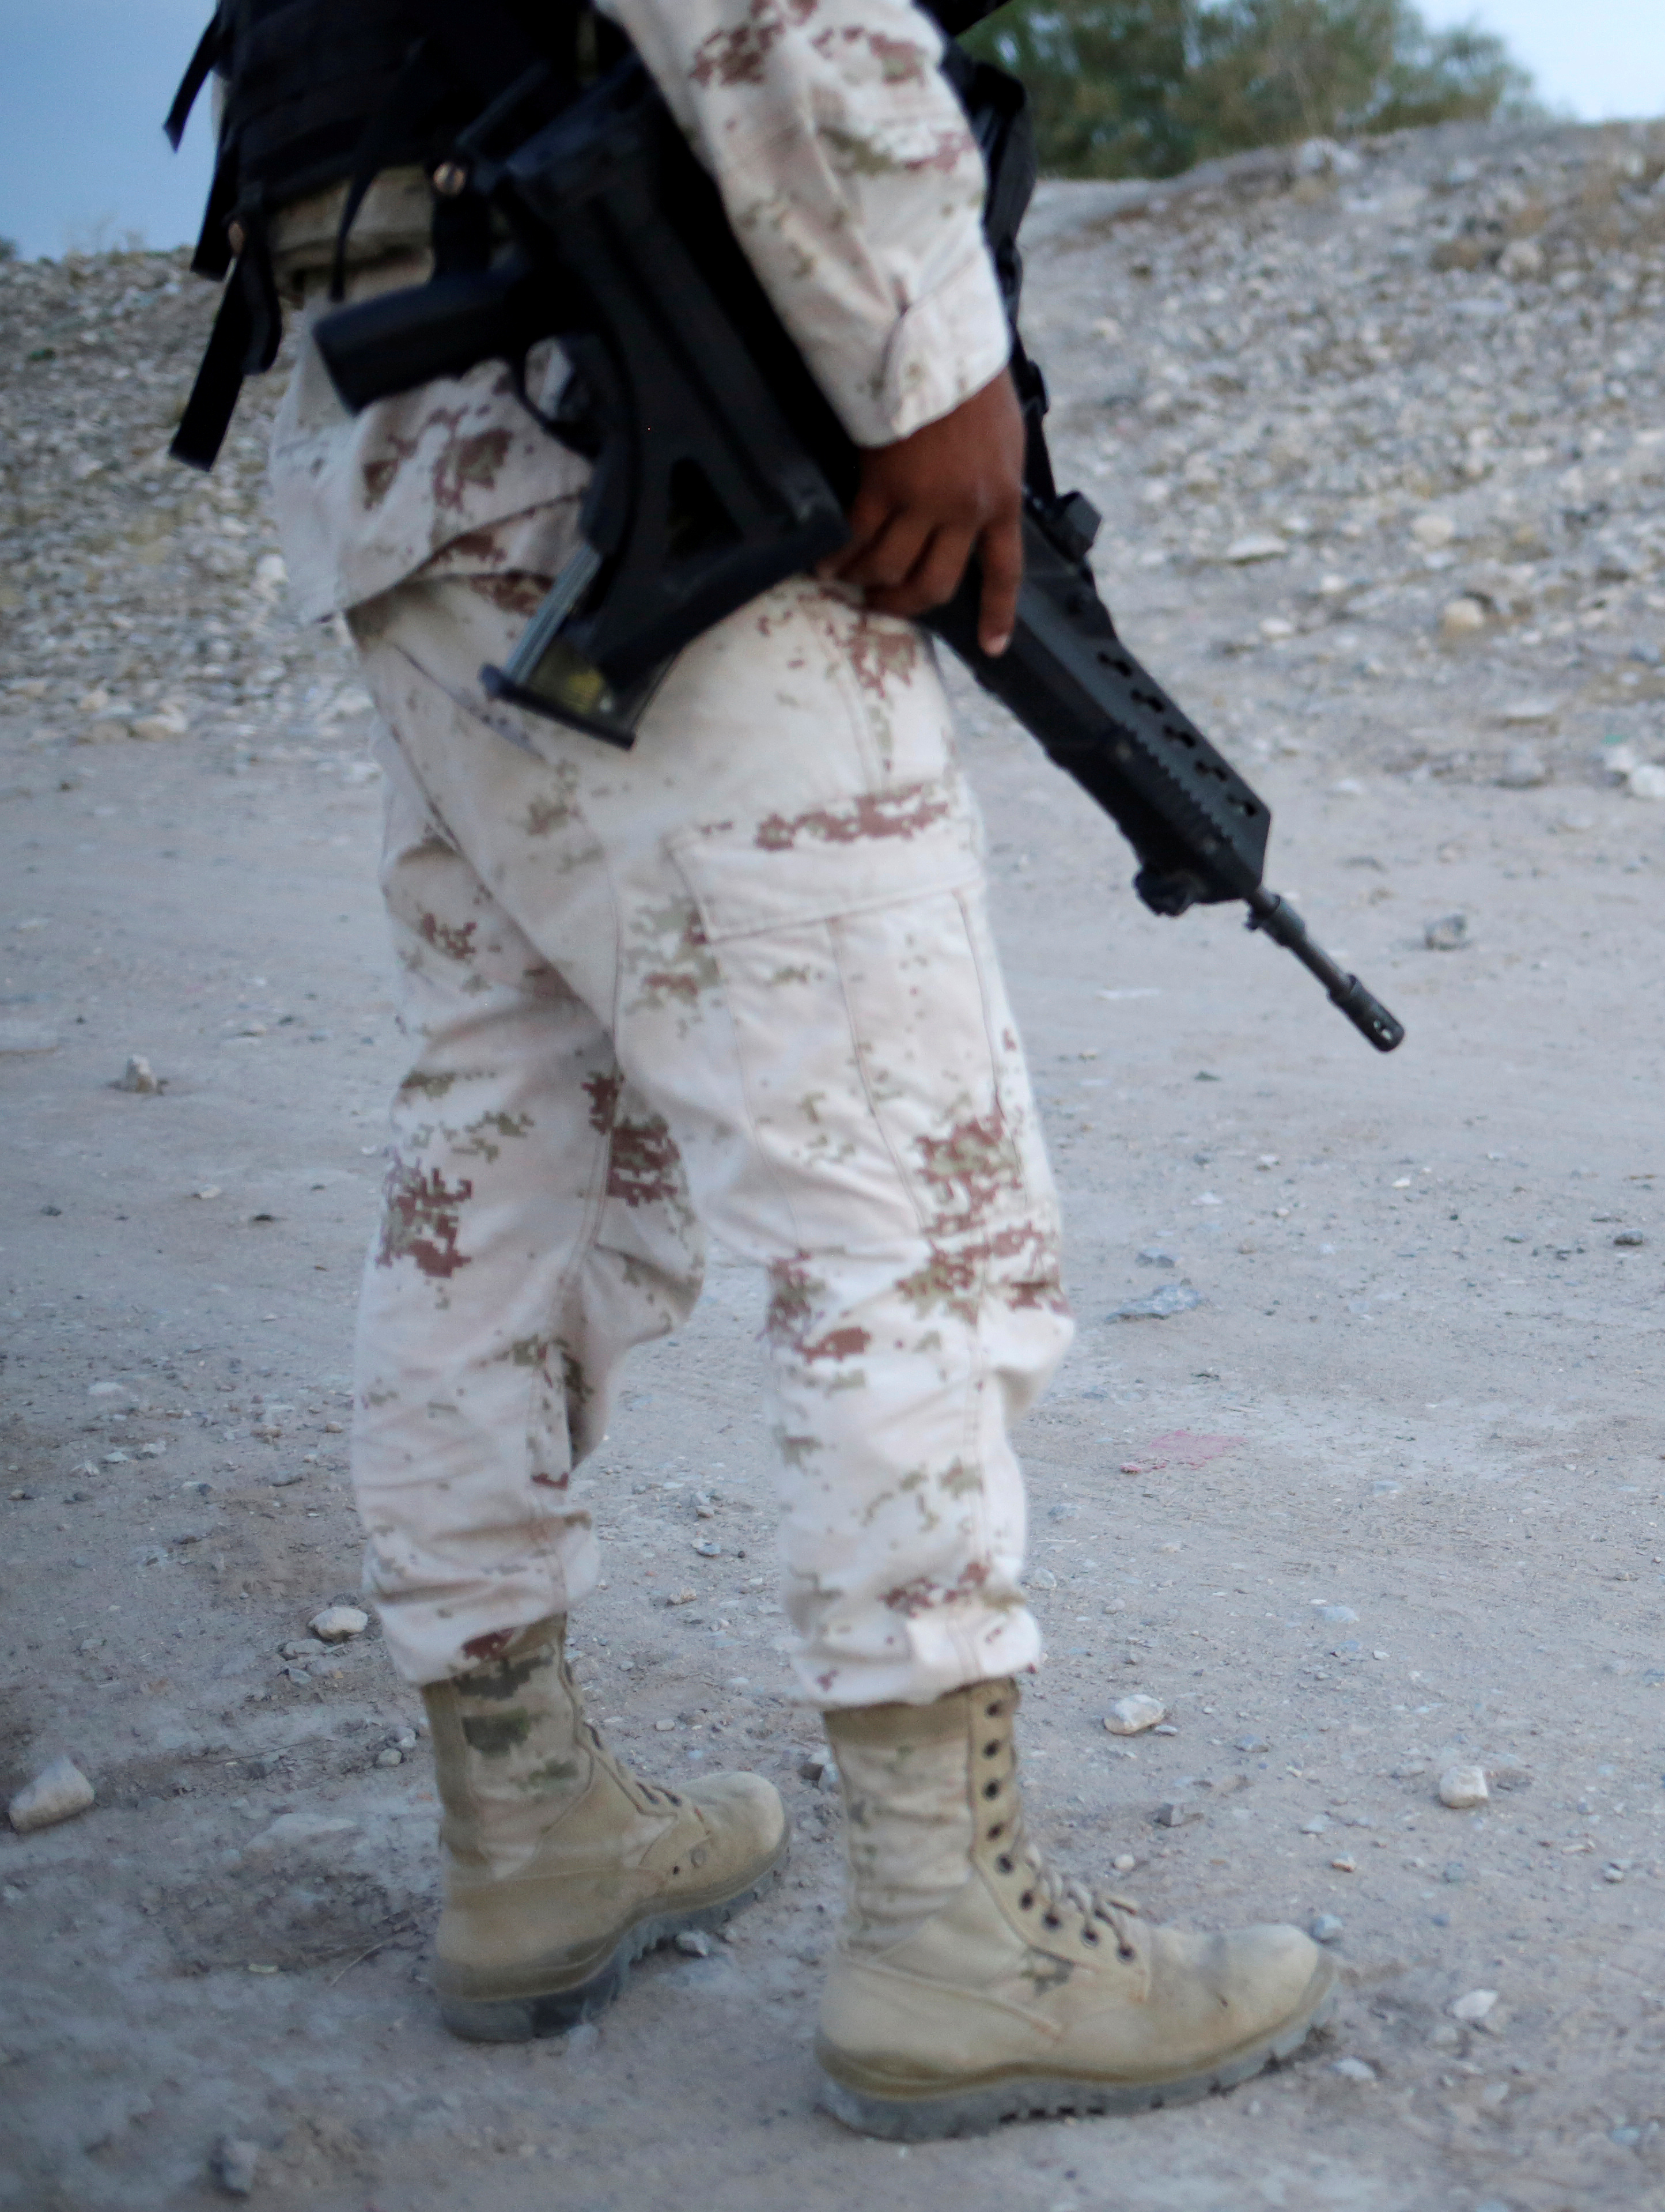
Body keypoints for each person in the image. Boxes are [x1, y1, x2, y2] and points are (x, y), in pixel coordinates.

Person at [168, 0, 1330, 2139]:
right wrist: (931, 358)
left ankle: (526, 1833)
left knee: (511, 1140)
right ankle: (954, 1932)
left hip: (408, 409)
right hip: (610, 370)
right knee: (902, 1165)